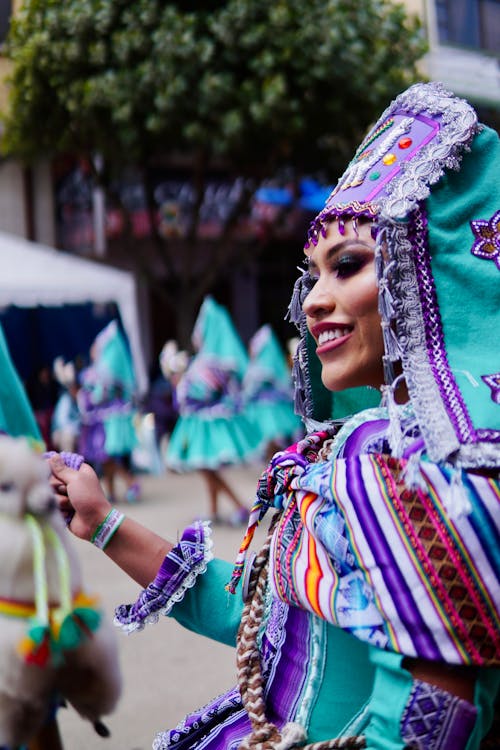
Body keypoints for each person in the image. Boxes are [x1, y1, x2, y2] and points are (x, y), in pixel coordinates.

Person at [48, 82, 499, 750]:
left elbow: (426, 720)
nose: (315, 299)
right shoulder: (354, 452)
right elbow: (265, 625)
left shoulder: (415, 468)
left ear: (421, 271)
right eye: (313, 273)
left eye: (347, 266)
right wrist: (103, 522)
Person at [165, 296, 261, 525]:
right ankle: (215, 510)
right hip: (204, 424)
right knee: (206, 468)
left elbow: (194, 395)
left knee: (207, 468)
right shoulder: (210, 361)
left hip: (207, 426)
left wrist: (176, 378)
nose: (196, 335)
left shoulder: (210, 363)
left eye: (199, 330)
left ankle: (239, 506)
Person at [77, 320, 141, 504]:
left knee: (106, 457)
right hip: (98, 421)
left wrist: (86, 395)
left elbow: (97, 396)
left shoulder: (102, 374)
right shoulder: (98, 372)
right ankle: (111, 492)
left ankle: (131, 483)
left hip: (102, 423)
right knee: (105, 460)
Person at [243, 324, 303, 459]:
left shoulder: (261, 369)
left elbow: (250, 388)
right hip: (275, 411)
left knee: (273, 442)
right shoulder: (269, 367)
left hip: (268, 413)